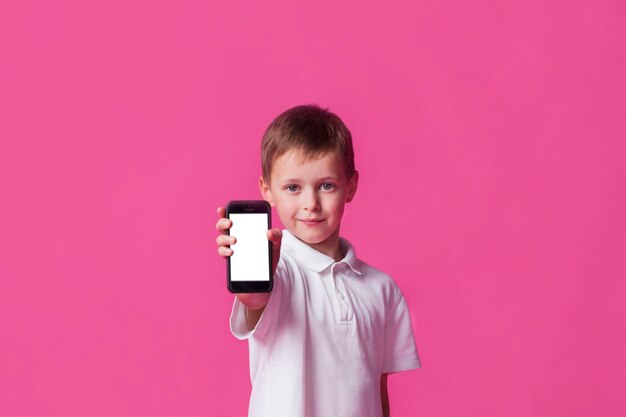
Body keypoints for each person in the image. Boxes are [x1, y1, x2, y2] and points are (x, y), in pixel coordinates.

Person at [215, 104, 421, 417]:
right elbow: (254, 297)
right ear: (267, 190)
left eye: (326, 185)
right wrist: (257, 268)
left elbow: (378, 394)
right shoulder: (278, 271)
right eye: (293, 188)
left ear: (350, 187)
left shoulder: (383, 290)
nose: (311, 204)